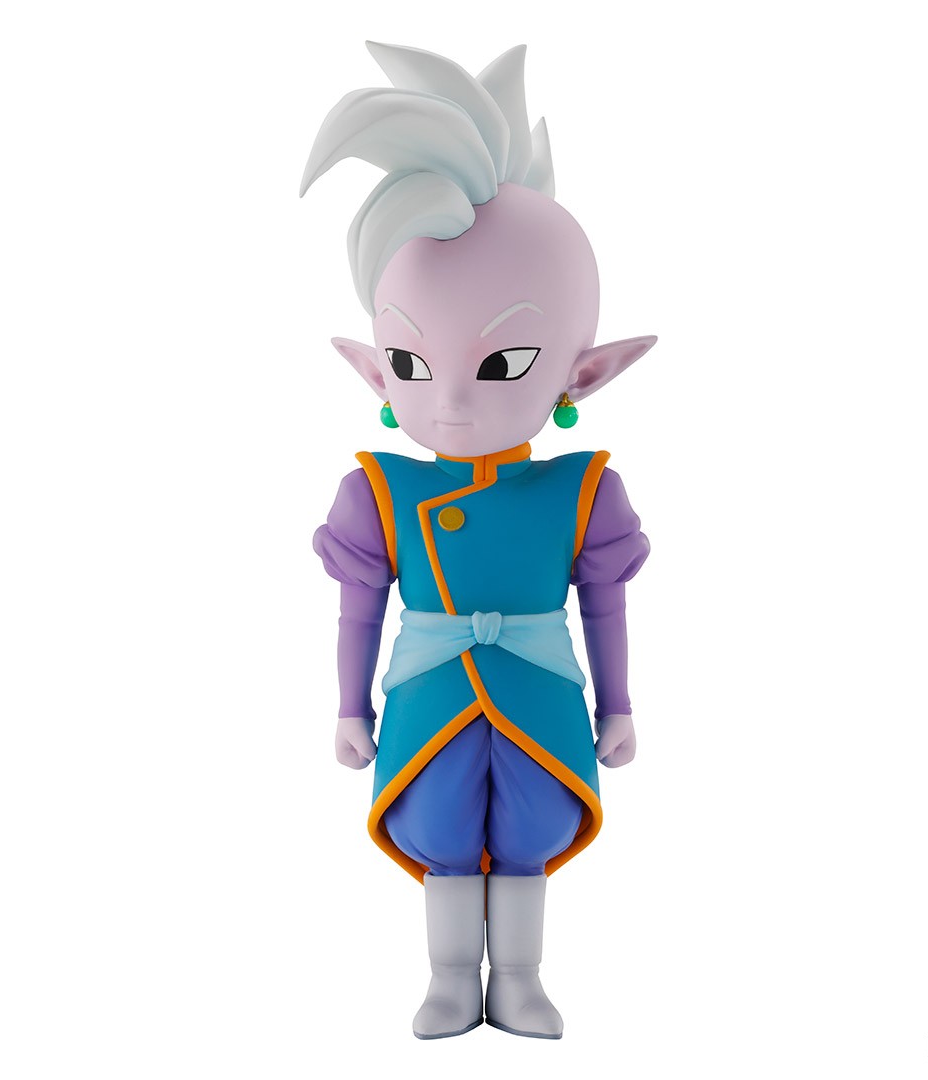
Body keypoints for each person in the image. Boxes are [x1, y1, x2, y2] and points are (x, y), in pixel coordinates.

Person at [306, 42, 654, 1040]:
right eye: (414, 362)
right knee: (443, 830)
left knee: (533, 827)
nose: (451, 400)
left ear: (584, 374)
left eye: (502, 362)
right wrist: (348, 706)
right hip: (429, 691)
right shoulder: (379, 492)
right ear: (377, 371)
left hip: (540, 687)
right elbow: (360, 608)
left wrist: (620, 703)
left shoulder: (584, 490)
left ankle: (525, 978)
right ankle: (451, 976)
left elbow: (605, 604)